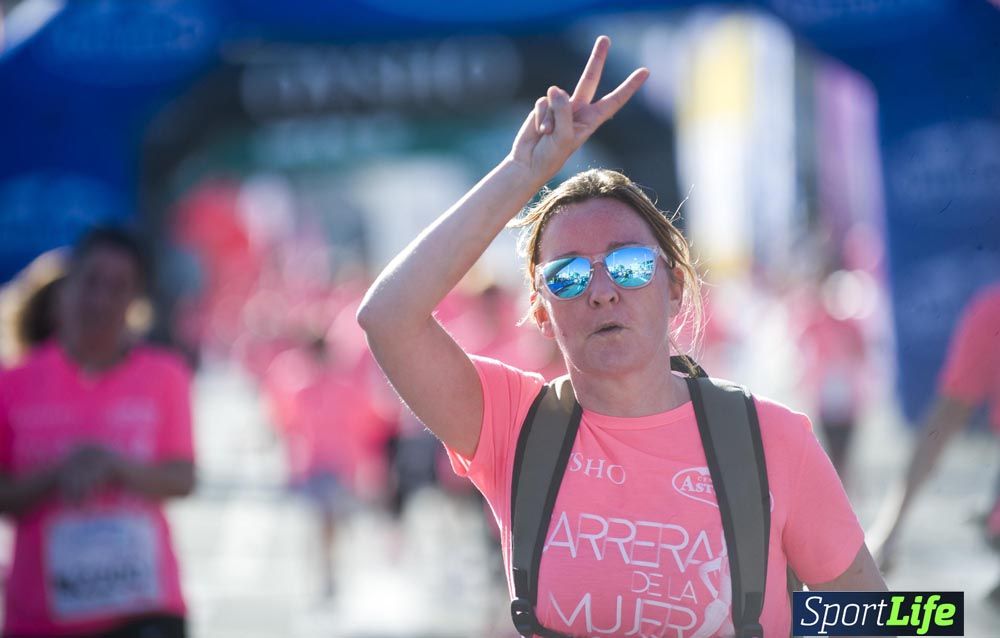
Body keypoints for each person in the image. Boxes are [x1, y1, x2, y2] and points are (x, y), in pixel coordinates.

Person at [357, 36, 885, 637]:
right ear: (540, 309)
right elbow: (388, 317)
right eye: (569, 275)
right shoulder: (514, 425)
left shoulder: (772, 439)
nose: (602, 290)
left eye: (629, 265)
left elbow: (887, 618)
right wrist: (522, 173)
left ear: (676, 288)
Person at [0, 227, 196, 638]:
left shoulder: (165, 374)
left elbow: (183, 478)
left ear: (137, 300)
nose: (102, 299)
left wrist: (114, 466)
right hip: (41, 617)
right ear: (67, 286)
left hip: (145, 609)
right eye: (92, 281)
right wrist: (59, 472)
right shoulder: (13, 382)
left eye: (119, 286)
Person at [869, 282, 1000, 594]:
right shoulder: (991, 315)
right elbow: (942, 421)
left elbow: (942, 422)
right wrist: (889, 527)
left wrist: (890, 528)